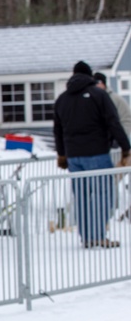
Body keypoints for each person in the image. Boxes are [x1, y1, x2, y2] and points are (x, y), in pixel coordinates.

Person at [54, 61, 131, 249]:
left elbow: (57, 130)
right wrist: (126, 148)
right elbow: (113, 122)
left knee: (81, 196)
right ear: (90, 76)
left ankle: (87, 236)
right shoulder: (99, 95)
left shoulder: (62, 99)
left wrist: (62, 154)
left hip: (73, 156)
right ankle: (97, 235)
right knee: (104, 194)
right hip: (97, 153)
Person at [93, 72, 131, 140]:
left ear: (103, 83)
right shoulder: (91, 100)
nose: (95, 85)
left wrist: (120, 138)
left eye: (97, 83)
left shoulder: (116, 99)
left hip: (115, 143)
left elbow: (127, 119)